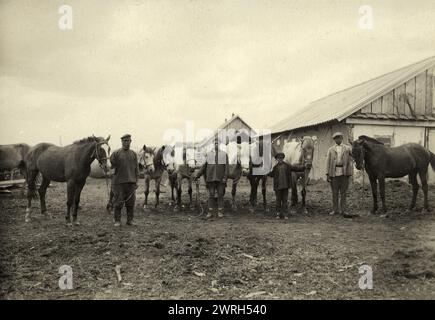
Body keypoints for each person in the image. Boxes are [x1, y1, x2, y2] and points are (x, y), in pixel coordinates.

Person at [194, 138, 229, 218]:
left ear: (219, 144)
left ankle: (220, 211)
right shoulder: (209, 154)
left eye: (217, 143)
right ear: (213, 144)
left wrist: (225, 177)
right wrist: (197, 175)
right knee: (211, 195)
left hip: (220, 179)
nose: (216, 144)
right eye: (215, 143)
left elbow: (227, 168)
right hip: (211, 178)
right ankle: (210, 211)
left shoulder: (224, 154)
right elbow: (204, 166)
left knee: (220, 195)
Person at [110, 134, 140, 227]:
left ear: (131, 142)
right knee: (118, 203)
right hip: (119, 183)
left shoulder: (134, 154)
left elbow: (137, 169)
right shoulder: (116, 153)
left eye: (128, 141)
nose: (127, 143)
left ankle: (130, 220)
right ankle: (117, 221)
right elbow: (110, 166)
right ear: (122, 142)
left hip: (131, 182)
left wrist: (136, 182)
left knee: (130, 203)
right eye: (125, 141)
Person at [326, 132, 353, 217]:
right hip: (334, 173)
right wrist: (327, 173)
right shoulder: (331, 150)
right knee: (334, 193)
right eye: (336, 138)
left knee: (343, 193)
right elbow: (328, 162)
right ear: (334, 139)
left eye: (339, 138)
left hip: (344, 173)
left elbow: (353, 157)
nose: (338, 139)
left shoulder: (347, 148)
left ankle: (343, 210)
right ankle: (335, 210)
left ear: (342, 138)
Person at [268, 152, 292, 219]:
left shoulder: (287, 166)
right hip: (278, 187)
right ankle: (278, 213)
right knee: (278, 200)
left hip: (285, 186)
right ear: (277, 159)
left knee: (285, 200)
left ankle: (285, 214)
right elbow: (271, 174)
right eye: (278, 158)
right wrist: (266, 172)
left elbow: (294, 169)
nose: (280, 159)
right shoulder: (275, 167)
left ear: (283, 158)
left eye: (281, 158)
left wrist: (303, 168)